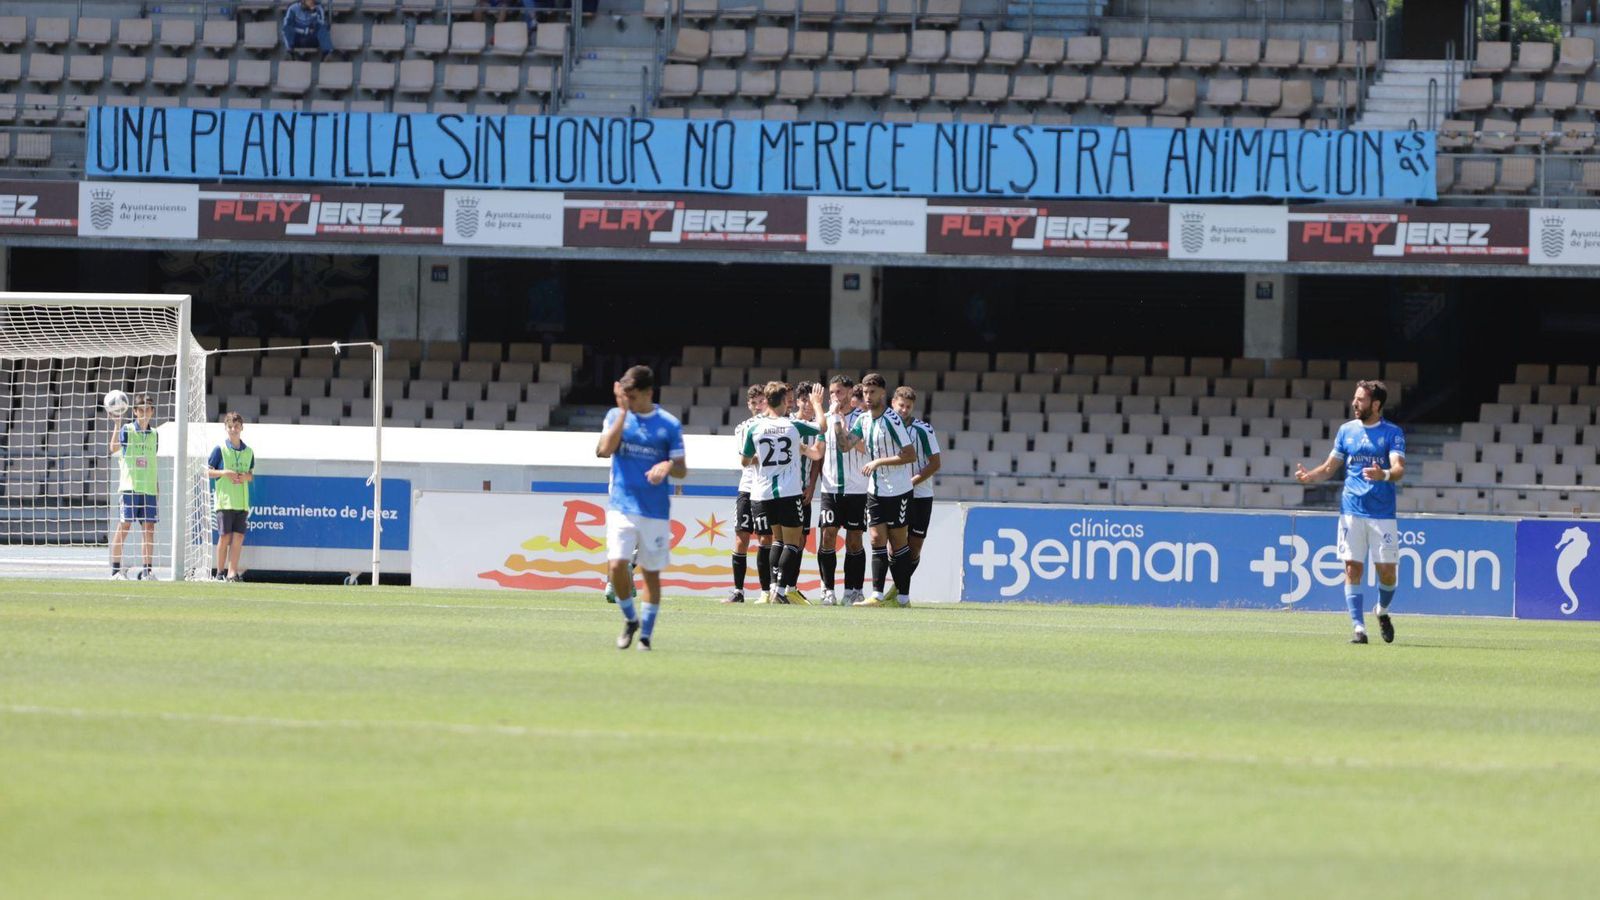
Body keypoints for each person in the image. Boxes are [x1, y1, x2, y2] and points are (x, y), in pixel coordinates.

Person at [1294, 380, 1407, 644]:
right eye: (1355, 398)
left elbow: (1399, 469)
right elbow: (1329, 467)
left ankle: (1382, 611)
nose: (1355, 403)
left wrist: (1384, 474)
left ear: (1376, 404)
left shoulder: (1392, 432)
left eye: (1361, 399)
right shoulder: (1346, 431)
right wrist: (1309, 477)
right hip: (1351, 511)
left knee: (1388, 573)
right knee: (1352, 568)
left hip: (1382, 514)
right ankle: (1359, 628)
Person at [596, 365, 686, 651]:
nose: (629, 401)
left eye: (632, 397)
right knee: (616, 564)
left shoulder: (668, 424)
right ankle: (629, 618)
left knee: (650, 574)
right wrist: (622, 413)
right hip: (621, 505)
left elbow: (682, 470)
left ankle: (645, 636)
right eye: (625, 396)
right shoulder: (616, 416)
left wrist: (667, 464)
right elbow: (603, 450)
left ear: (648, 393)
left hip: (654, 509)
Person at [739, 382, 825, 605]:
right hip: (788, 492)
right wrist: (816, 404)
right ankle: (779, 589)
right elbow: (822, 427)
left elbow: (744, 461)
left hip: (761, 493)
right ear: (786, 402)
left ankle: (770, 590)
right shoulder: (793, 425)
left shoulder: (754, 429)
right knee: (792, 543)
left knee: (775, 540)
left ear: (766, 402)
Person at [838, 373, 918, 607]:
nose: (868, 396)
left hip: (899, 490)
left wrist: (878, 462)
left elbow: (909, 454)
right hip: (875, 490)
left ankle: (903, 597)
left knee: (898, 542)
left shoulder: (892, 419)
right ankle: (877, 595)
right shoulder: (863, 420)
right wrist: (837, 423)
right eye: (865, 392)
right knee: (875, 539)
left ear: (883, 393)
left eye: (872, 392)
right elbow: (845, 446)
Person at [815, 376, 869, 606]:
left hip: (858, 489)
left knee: (855, 540)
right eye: (832, 393)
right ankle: (827, 589)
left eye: (838, 392)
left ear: (849, 392)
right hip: (830, 488)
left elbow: (861, 447)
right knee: (827, 535)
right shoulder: (825, 420)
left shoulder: (863, 420)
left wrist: (841, 423)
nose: (834, 397)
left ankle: (853, 589)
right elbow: (819, 453)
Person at [892, 386, 941, 603]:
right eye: (901, 405)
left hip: (920, 495)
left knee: (914, 548)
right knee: (894, 545)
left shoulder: (923, 430)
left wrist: (910, 482)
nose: (904, 410)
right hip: (893, 495)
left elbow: (935, 464)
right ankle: (899, 594)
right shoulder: (884, 426)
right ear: (893, 403)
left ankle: (896, 589)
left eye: (908, 407)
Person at [108, 393, 159, 580]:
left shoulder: (154, 435)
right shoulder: (127, 430)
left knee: (149, 530)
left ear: (152, 412)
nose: (144, 413)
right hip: (130, 488)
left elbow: (152, 463)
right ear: (135, 412)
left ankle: (147, 572)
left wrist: (157, 488)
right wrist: (116, 424)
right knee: (124, 526)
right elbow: (113, 448)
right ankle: (115, 571)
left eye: (148, 409)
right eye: (141, 410)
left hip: (149, 490)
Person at [725, 385, 768, 604]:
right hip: (748, 486)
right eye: (754, 403)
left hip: (766, 489)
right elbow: (746, 458)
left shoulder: (774, 425)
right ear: (748, 405)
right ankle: (738, 591)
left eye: (761, 401)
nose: (758, 406)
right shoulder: (743, 428)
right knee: (741, 538)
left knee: (765, 539)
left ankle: (766, 591)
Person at [206, 411, 255, 582]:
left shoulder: (249, 451)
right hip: (225, 501)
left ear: (242, 428)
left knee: (239, 537)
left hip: (241, 502)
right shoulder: (220, 449)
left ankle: (232, 572)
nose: (233, 429)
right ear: (225, 428)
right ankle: (219, 572)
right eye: (230, 427)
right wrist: (224, 473)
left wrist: (245, 477)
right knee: (225, 536)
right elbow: (207, 471)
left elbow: (250, 475)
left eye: (236, 426)